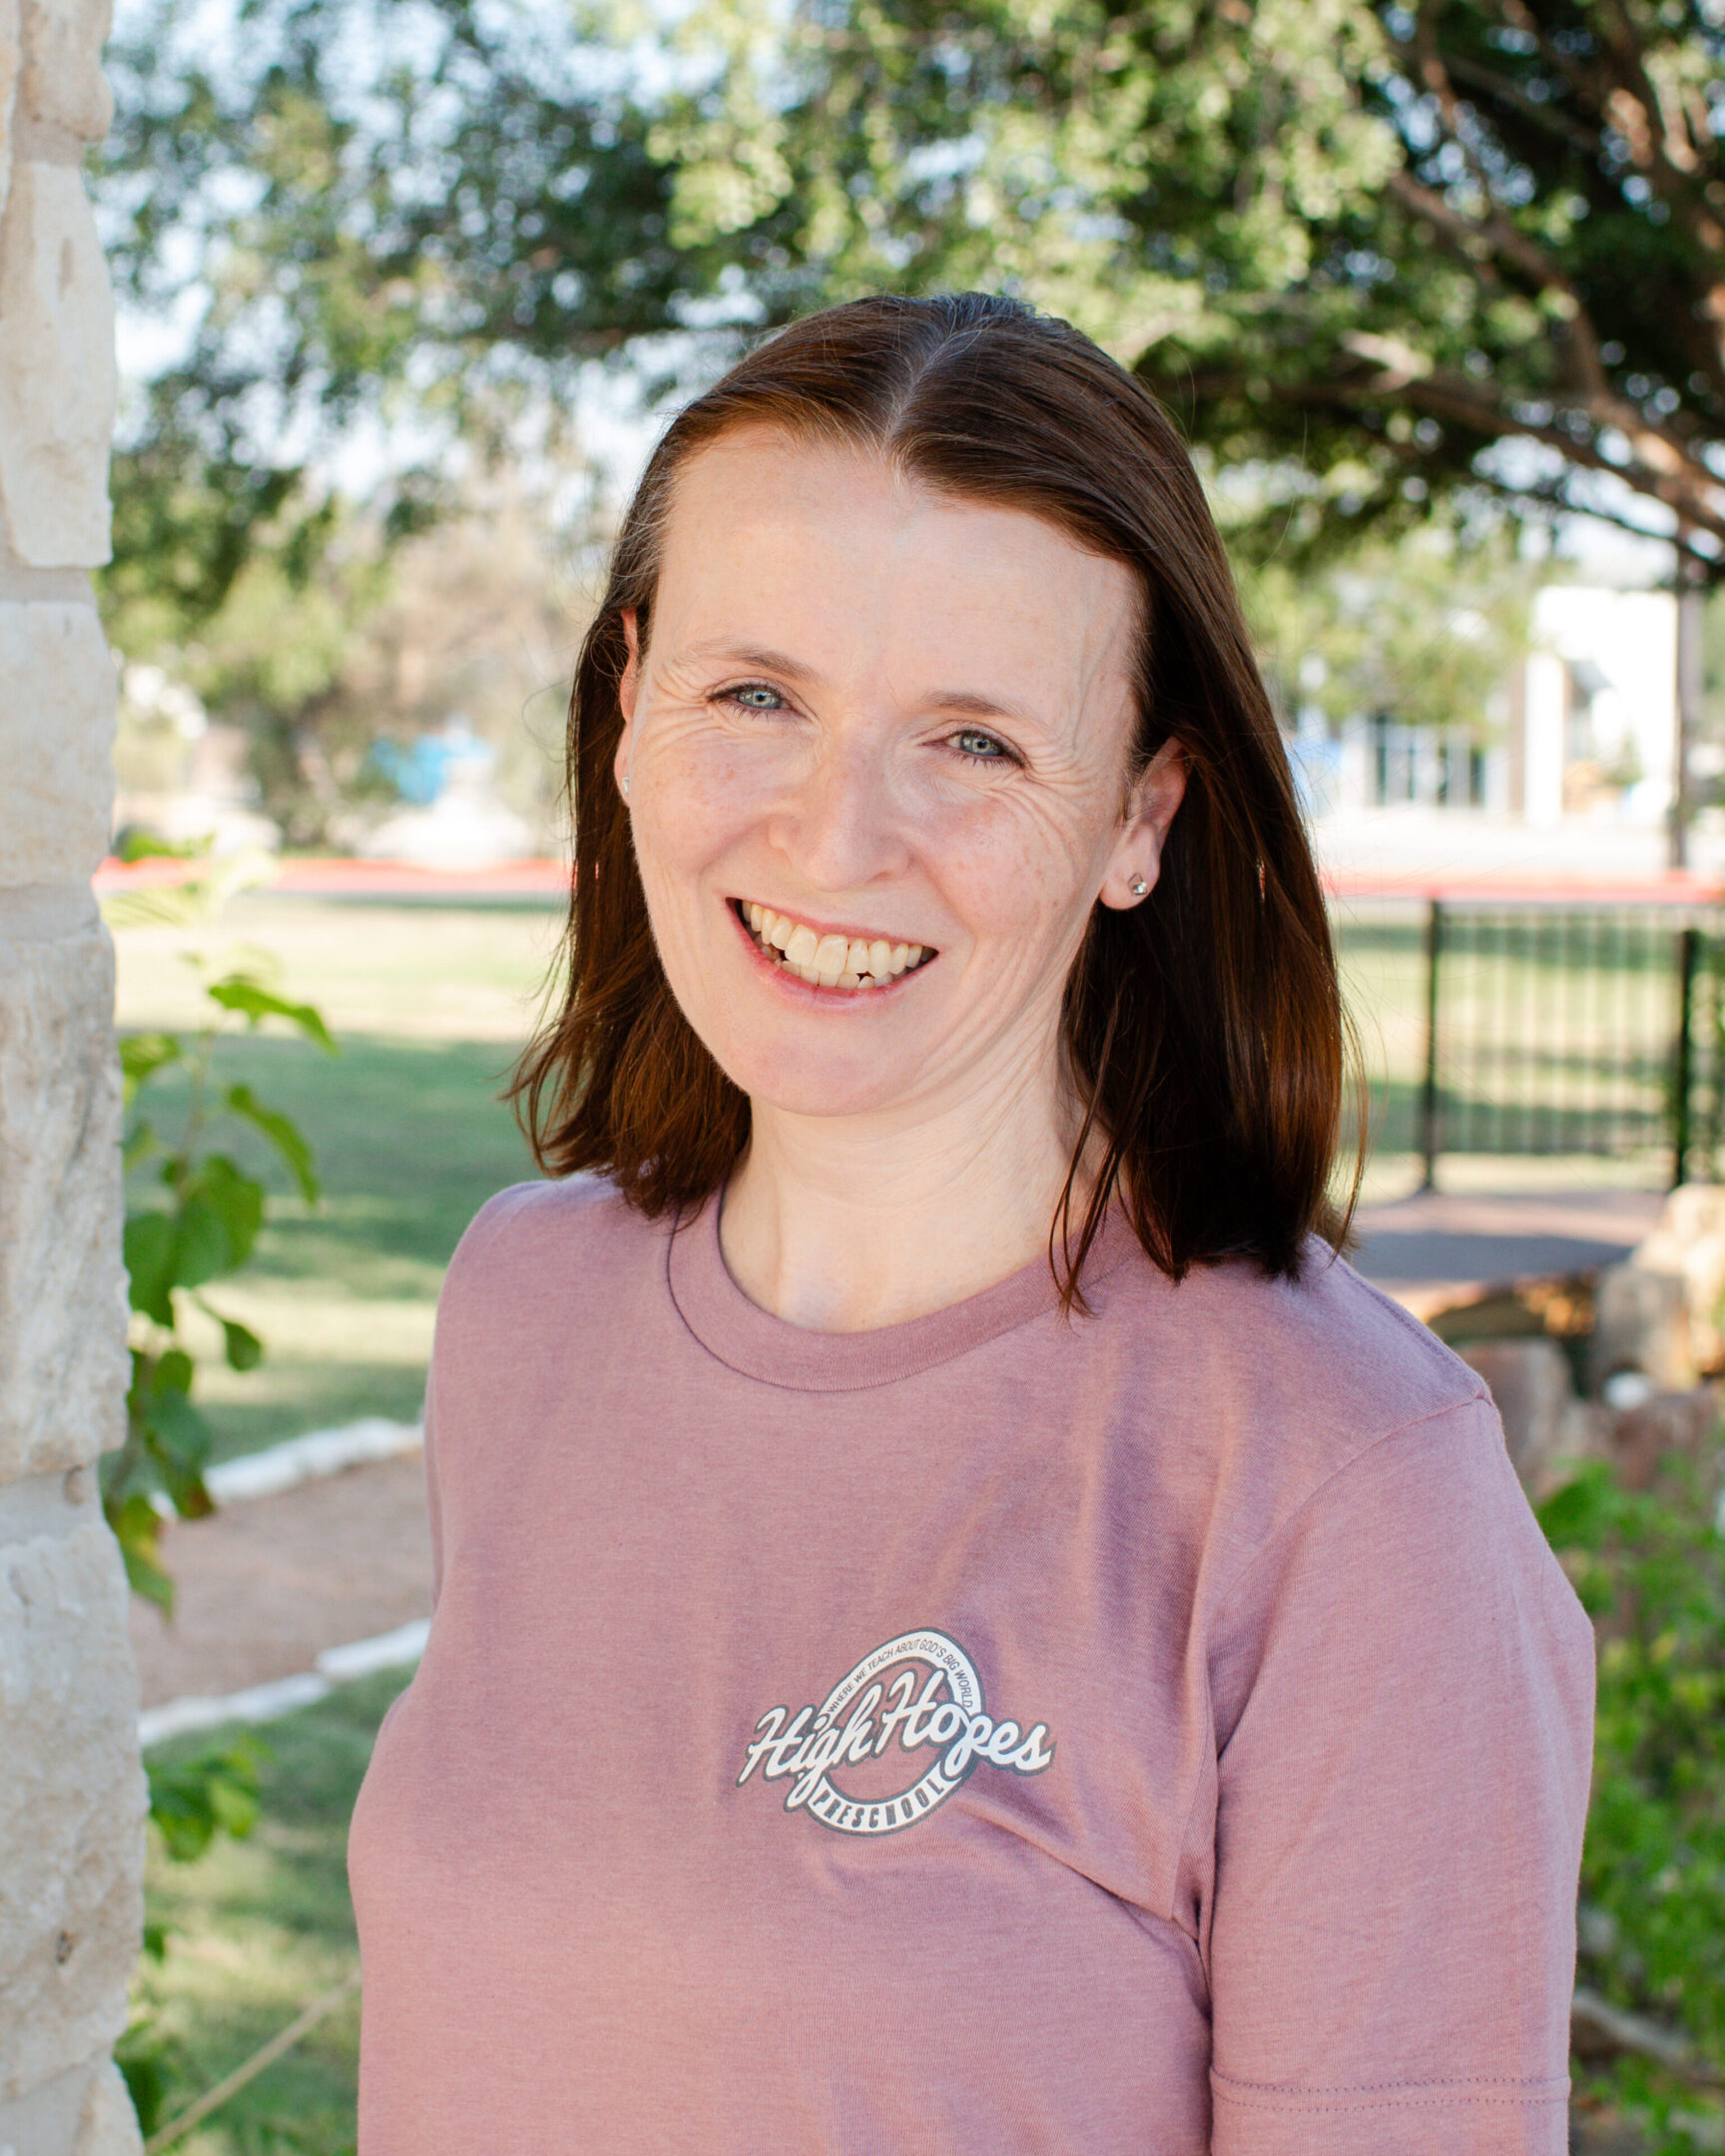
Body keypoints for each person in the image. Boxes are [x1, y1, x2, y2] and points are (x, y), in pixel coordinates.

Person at [348, 292, 1594, 2155]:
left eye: (977, 743)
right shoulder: (522, 1306)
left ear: (1142, 815)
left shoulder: (1350, 1488)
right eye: (755, 695)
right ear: (628, 705)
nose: (837, 837)